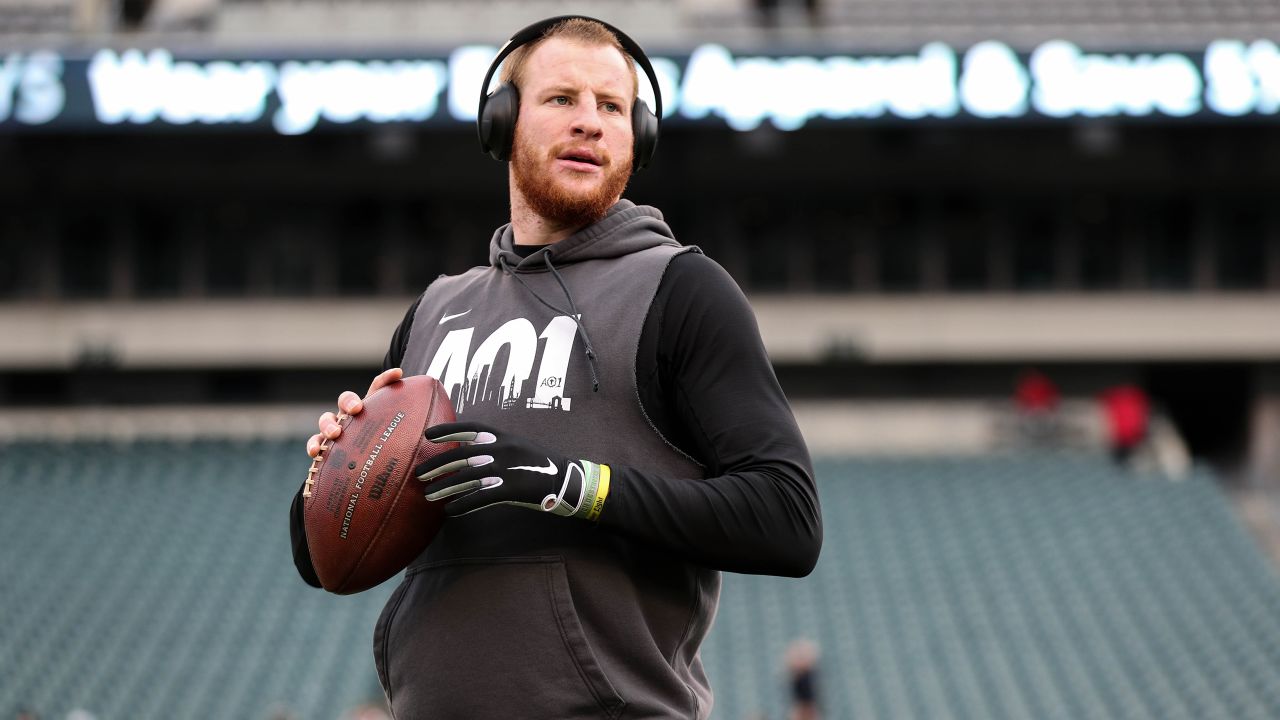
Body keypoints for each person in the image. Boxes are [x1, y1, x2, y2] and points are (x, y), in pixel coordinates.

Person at [289, 16, 822, 719]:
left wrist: (575, 485)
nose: (590, 123)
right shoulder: (434, 312)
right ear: (501, 122)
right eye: (562, 99)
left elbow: (787, 518)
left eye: (611, 106)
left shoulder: (682, 289)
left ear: (640, 135)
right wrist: (330, 472)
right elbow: (319, 559)